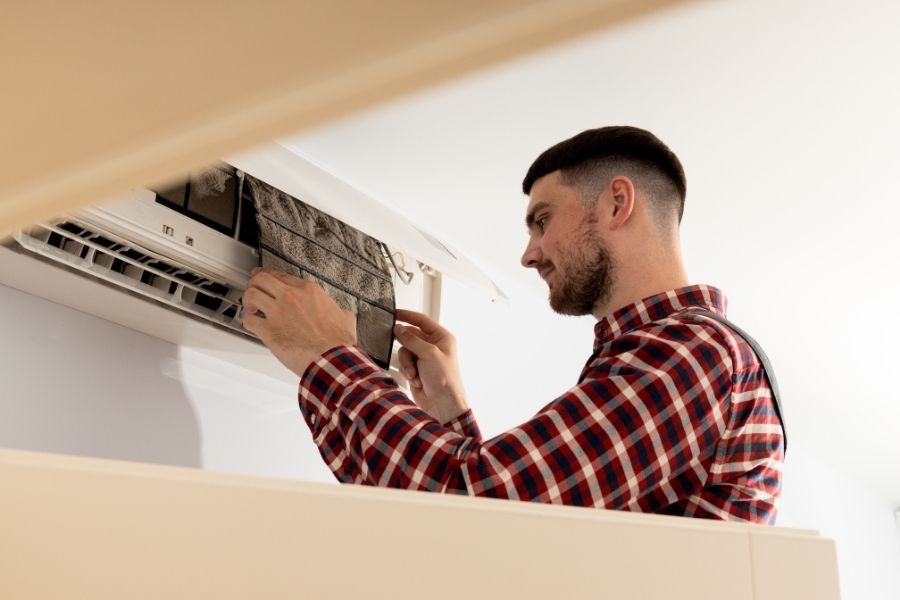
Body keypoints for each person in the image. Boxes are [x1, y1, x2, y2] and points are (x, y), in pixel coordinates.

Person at [241, 126, 784, 523]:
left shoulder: (694, 352)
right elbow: (519, 539)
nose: (529, 255)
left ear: (617, 203)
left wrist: (329, 354)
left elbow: (476, 518)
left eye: (542, 221)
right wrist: (451, 417)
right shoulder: (675, 355)